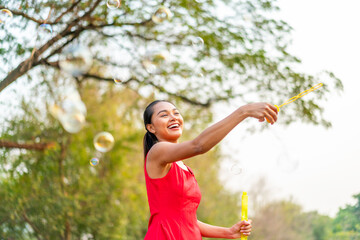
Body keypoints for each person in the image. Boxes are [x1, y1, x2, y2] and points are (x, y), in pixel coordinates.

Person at [143, 100, 278, 239]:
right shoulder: (157, 151)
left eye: (176, 113)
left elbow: (186, 219)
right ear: (151, 128)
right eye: (164, 115)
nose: (173, 117)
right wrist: (244, 111)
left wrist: (229, 232)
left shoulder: (183, 167)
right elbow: (198, 146)